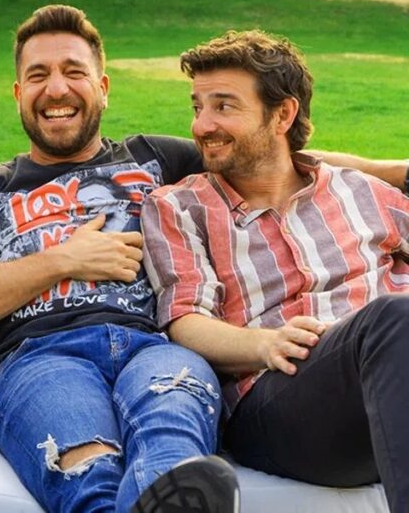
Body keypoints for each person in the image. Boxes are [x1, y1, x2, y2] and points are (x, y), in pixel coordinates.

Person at [0, 4, 238, 513]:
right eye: (38, 75)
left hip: (155, 347)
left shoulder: (157, 159)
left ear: (103, 87)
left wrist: (376, 172)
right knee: (86, 468)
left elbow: (272, 161)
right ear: (19, 94)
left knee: (171, 443)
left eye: (74, 72)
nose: (57, 89)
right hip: (41, 358)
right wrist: (63, 260)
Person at [141, 30, 409, 512]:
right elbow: (185, 319)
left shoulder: (361, 191)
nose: (201, 126)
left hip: (389, 379)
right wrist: (263, 344)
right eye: (197, 106)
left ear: (282, 114)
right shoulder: (180, 206)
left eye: (223, 106)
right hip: (280, 399)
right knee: (392, 318)